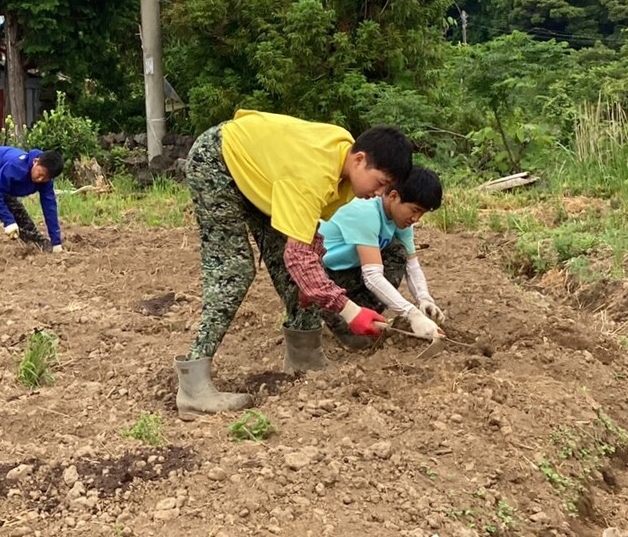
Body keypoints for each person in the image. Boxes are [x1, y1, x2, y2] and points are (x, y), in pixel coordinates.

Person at [176, 109, 413, 418]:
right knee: (234, 270)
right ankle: (193, 386)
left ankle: (305, 357)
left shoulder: (343, 162)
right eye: (380, 182)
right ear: (359, 160)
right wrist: (350, 311)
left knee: (301, 269)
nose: (379, 194)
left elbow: (306, 242)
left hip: (262, 176)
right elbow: (299, 258)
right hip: (218, 161)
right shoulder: (313, 173)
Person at [317, 166, 445, 349]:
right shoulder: (365, 212)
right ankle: (335, 319)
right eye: (415, 210)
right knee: (388, 256)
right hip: (319, 274)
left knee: (397, 252)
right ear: (393, 196)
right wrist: (412, 314)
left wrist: (424, 299)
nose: (416, 219)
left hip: (347, 270)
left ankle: (358, 318)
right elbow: (372, 276)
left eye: (422, 213)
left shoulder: (401, 221)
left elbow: (412, 264)